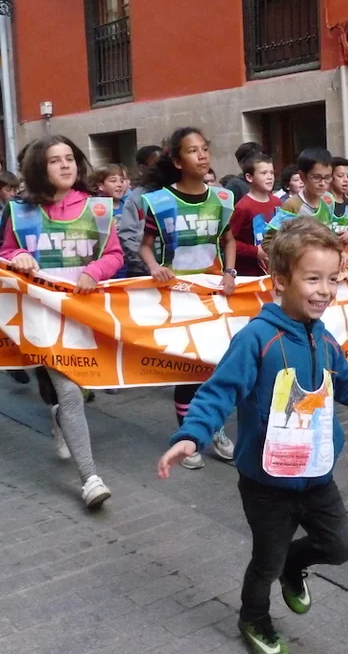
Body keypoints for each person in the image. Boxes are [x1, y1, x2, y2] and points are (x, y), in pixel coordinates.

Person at [157, 217, 348, 654]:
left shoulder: (325, 339)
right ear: (280, 280)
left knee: (338, 546)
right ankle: (254, 617)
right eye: (312, 279)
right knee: (266, 561)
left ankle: (293, 566)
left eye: (332, 279)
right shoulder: (256, 338)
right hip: (266, 484)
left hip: (317, 476)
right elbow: (219, 391)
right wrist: (191, 435)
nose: (324, 290)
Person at [0, 135, 122, 509]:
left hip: (86, 315)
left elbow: (115, 255)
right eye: (55, 160)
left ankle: (58, 418)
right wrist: (18, 256)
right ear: (40, 167)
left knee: (76, 391)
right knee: (69, 393)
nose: (66, 165)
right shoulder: (20, 212)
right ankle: (90, 480)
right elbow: (5, 252)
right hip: (43, 316)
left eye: (69, 158)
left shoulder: (97, 208)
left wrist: (94, 271)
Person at [138, 127, 237, 470]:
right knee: (189, 368)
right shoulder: (161, 202)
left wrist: (230, 272)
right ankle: (188, 436)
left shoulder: (222, 198)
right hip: (176, 297)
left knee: (215, 365)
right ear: (178, 162)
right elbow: (145, 246)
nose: (202, 155)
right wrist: (154, 268)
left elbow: (228, 240)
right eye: (193, 150)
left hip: (213, 295)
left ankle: (214, 428)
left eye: (204, 148)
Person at [228, 153, 280, 277]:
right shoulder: (243, 207)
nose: (269, 177)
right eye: (264, 173)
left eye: (271, 173)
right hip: (250, 273)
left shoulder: (277, 202)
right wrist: (255, 251)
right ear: (249, 177)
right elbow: (228, 241)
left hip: (275, 268)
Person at [118, 145, 163, 277]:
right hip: (143, 272)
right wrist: (149, 265)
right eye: (157, 165)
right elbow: (128, 237)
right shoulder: (136, 198)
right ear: (143, 168)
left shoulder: (172, 193)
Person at [91, 163, 130, 279]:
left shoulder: (128, 205)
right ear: (100, 186)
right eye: (113, 181)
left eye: (121, 181)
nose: (119, 184)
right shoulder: (96, 208)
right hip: (107, 266)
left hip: (129, 264)